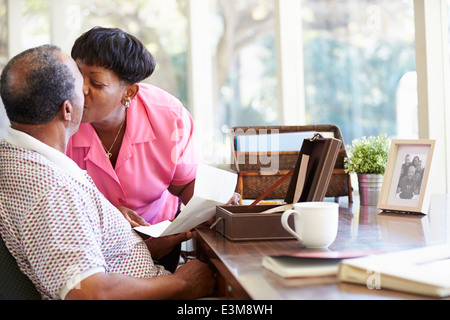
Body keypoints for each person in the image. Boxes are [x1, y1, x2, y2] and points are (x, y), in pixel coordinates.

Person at [0, 44, 214, 300]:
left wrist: (136, 246)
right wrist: (184, 285)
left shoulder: (23, 159)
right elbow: (89, 294)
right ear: (67, 110)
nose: (86, 92)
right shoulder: (53, 188)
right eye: (80, 83)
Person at [66, 27, 238, 271]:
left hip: (158, 239)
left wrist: (214, 204)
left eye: (95, 83)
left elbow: (184, 183)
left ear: (129, 92)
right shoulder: (60, 118)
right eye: (75, 75)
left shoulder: (168, 116)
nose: (80, 89)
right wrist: (106, 216)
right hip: (91, 245)